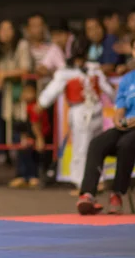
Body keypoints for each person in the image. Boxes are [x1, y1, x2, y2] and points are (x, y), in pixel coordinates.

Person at [37, 38, 115, 192]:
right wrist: (42, 103)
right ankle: (81, 183)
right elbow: (53, 89)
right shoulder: (66, 72)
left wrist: (118, 100)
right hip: (79, 111)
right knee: (81, 148)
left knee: (98, 147)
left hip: (96, 110)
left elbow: (108, 89)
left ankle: (98, 180)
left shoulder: (94, 69)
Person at [77, 38, 135, 215]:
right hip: (127, 125)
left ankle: (116, 193)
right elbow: (120, 106)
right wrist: (118, 120)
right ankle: (88, 194)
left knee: (125, 144)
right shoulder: (127, 79)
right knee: (97, 143)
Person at [8, 81, 50, 188]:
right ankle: (22, 176)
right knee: (23, 153)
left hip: (38, 135)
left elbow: (35, 124)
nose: (27, 95)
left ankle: (32, 176)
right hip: (29, 135)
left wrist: (39, 138)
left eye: (30, 92)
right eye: (25, 92)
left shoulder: (35, 107)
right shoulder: (22, 106)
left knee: (33, 156)